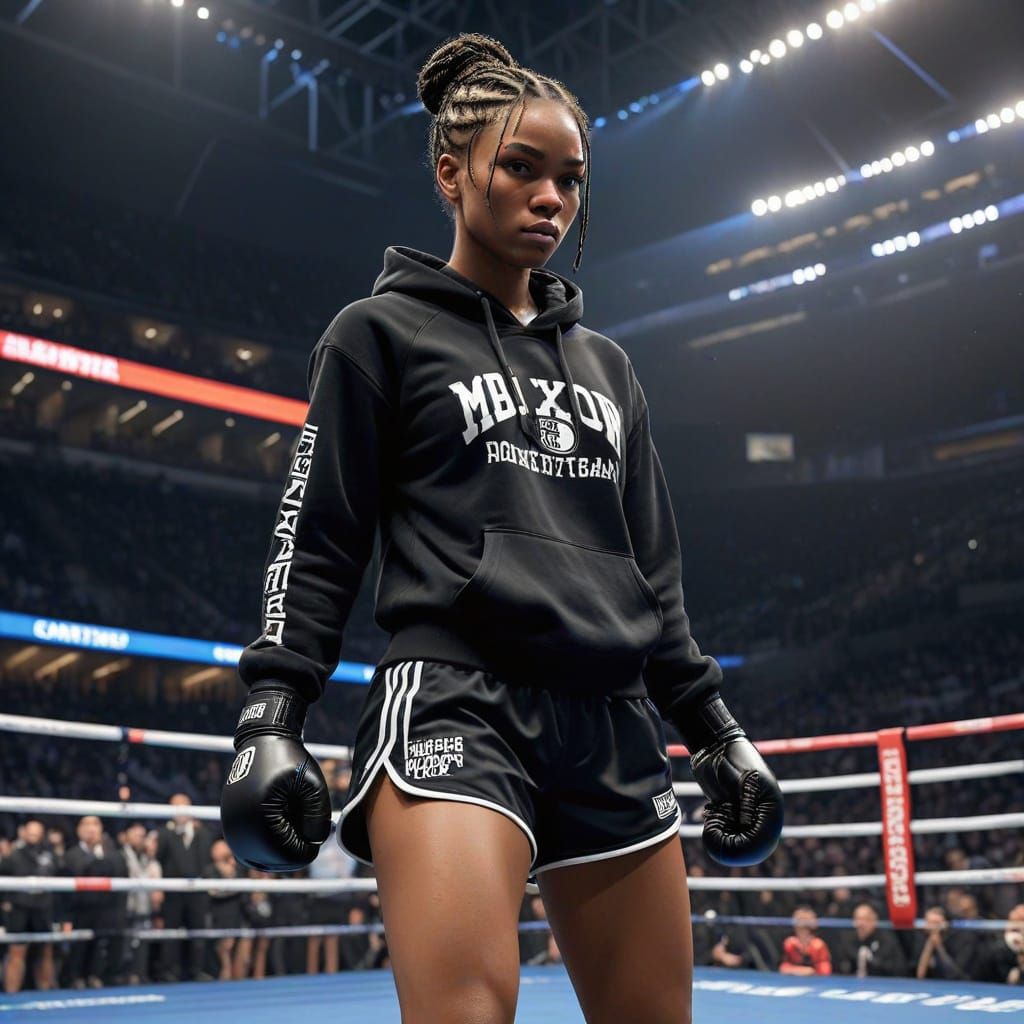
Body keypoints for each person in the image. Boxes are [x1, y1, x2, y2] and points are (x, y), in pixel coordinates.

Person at [220, 31, 783, 1024]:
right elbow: (318, 536)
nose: (551, 199)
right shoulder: (376, 334)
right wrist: (272, 713)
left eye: (569, 178)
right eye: (520, 167)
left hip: (611, 717)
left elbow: (652, 573)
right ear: (451, 171)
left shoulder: (610, 369)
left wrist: (715, 727)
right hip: (455, 701)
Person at [0, 819, 59, 993]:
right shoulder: (13, 855)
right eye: (30, 831)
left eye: (37, 831)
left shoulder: (49, 855)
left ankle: (45, 994)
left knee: (46, 951)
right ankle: (11, 994)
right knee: (16, 951)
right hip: (20, 908)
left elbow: (60, 875)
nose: (33, 834)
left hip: (43, 908)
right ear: (24, 832)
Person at [835, 902, 908, 978]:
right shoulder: (847, 940)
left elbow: (898, 968)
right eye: (857, 919)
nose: (861, 924)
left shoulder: (886, 940)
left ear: (874, 921)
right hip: (852, 983)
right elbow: (841, 965)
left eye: (866, 919)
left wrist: (872, 960)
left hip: (881, 982)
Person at [779, 906, 832, 976]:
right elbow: (783, 968)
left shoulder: (818, 945)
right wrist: (801, 970)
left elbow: (825, 971)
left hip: (815, 983)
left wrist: (811, 972)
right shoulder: (790, 943)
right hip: (793, 982)